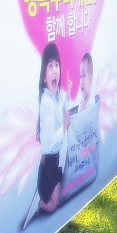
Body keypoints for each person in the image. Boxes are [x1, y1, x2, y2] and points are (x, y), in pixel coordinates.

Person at [36, 42, 70, 212]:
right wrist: (63, 127)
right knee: (53, 205)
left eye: (57, 65)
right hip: (47, 169)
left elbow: (65, 107)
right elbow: (48, 143)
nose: (55, 69)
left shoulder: (57, 95)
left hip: (55, 163)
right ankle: (40, 202)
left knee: (68, 190)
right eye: (50, 66)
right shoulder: (46, 102)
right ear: (44, 76)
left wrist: (68, 93)